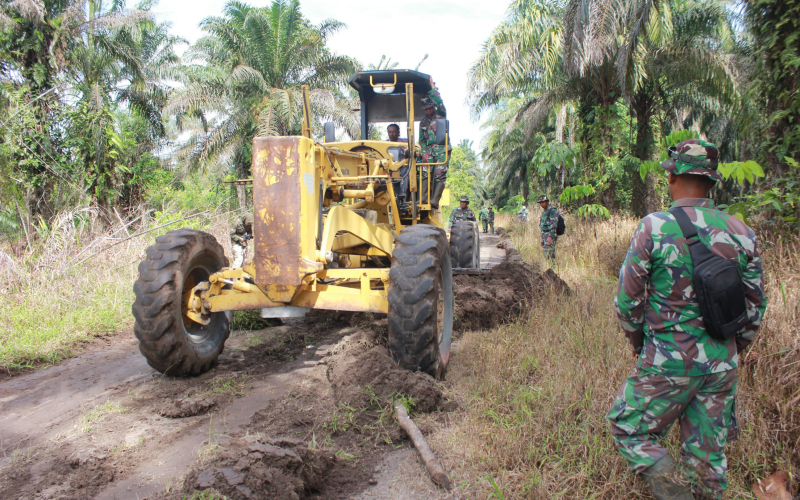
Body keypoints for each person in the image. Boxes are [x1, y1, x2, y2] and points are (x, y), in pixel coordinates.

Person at [607, 139, 766, 500]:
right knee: (707, 464)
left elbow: (626, 301)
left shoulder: (655, 227)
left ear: (673, 175)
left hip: (667, 362)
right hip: (721, 366)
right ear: (711, 182)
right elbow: (756, 308)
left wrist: (639, 343)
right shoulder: (742, 233)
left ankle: (675, 496)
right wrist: (729, 347)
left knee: (629, 428)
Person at [418, 81, 447, 208]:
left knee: (439, 174)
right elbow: (421, 140)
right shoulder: (423, 123)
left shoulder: (441, 114)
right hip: (428, 151)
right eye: (426, 109)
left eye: (430, 108)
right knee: (424, 172)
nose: (428, 111)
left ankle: (435, 200)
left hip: (441, 149)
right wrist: (423, 152)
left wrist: (432, 88)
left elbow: (440, 101)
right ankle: (423, 199)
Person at [537, 195, 559, 262]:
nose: (541, 204)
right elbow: (542, 226)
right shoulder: (545, 211)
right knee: (546, 254)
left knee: (549, 254)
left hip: (549, 235)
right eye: (540, 203)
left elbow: (554, 225)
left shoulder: (552, 211)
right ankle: (549, 268)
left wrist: (550, 237)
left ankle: (552, 268)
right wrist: (542, 240)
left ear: (547, 202)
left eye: (543, 202)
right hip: (544, 236)